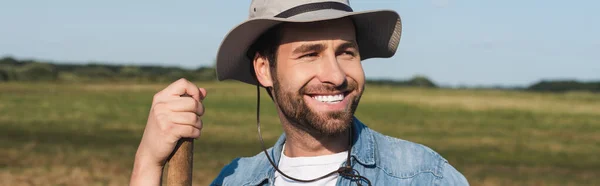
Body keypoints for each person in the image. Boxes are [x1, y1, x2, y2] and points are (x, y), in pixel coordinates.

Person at [130, 0, 469, 185]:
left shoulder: (424, 177)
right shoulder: (236, 181)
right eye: (310, 54)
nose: (335, 75)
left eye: (346, 52)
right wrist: (147, 163)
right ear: (264, 69)